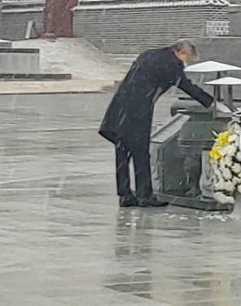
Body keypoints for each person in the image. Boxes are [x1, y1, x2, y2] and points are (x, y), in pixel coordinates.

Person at [99, 39, 231, 208]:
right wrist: (211, 102)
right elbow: (186, 85)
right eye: (188, 59)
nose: (185, 63)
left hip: (120, 107)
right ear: (182, 52)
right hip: (138, 111)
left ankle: (125, 194)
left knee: (122, 151)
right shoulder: (172, 63)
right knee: (141, 154)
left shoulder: (148, 54)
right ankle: (145, 196)